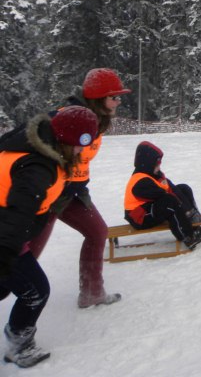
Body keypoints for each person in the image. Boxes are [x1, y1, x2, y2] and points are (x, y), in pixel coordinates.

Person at [0, 106, 98, 368]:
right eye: (82, 144)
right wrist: (6, 253)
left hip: (8, 232)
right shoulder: (38, 168)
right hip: (5, 236)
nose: (82, 151)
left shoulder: (41, 146)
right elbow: (19, 211)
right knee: (36, 290)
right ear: (68, 139)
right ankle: (19, 345)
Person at [28, 68, 128, 308]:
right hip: (49, 193)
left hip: (73, 191)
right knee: (25, 256)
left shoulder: (98, 120)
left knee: (97, 232)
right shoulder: (69, 118)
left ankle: (92, 292)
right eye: (114, 97)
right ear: (99, 98)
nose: (118, 101)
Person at [124, 141, 201, 250]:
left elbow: (171, 188)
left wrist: (189, 211)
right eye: (157, 165)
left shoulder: (153, 175)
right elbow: (163, 195)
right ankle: (188, 237)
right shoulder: (140, 181)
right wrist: (185, 210)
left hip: (149, 208)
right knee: (169, 202)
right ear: (148, 164)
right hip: (139, 216)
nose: (159, 167)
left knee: (183, 188)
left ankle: (193, 226)